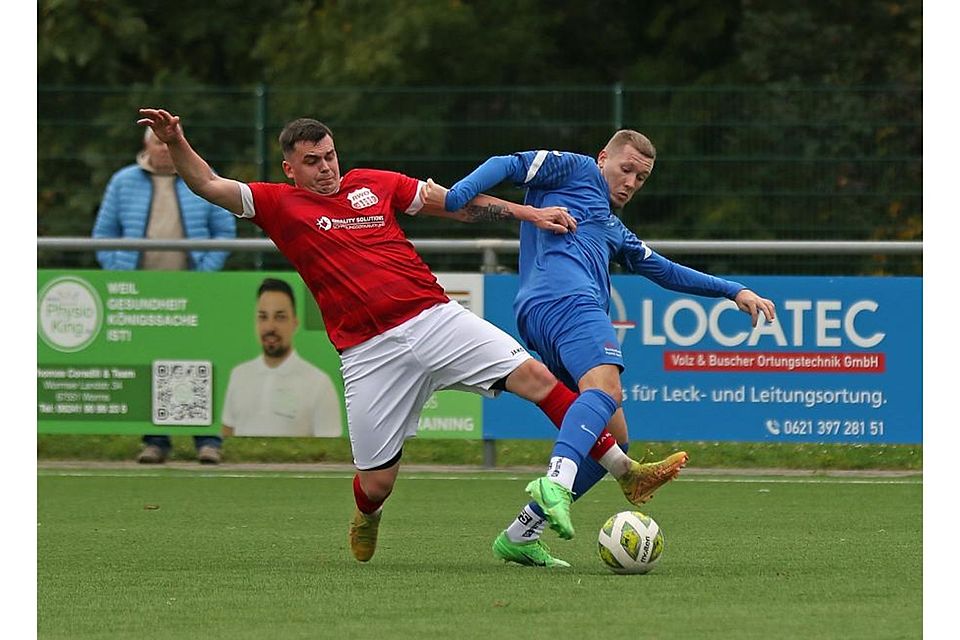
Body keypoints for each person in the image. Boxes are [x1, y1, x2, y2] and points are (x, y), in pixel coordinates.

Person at [137, 108, 678, 564]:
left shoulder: (374, 184)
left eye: (329, 156)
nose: (326, 168)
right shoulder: (278, 203)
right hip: (368, 353)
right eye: (312, 162)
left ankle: (625, 471)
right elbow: (208, 184)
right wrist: (177, 141)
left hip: (434, 316)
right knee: (377, 484)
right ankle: (366, 516)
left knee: (534, 376)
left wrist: (527, 211)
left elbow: (459, 205)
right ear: (290, 168)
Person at [428, 129, 777, 567]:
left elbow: (666, 271)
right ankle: (556, 480)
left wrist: (732, 290)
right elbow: (508, 162)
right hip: (567, 299)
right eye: (626, 168)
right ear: (602, 158)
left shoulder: (615, 230)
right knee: (607, 390)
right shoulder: (574, 169)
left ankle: (521, 533)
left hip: (542, 312)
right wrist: (460, 193)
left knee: (616, 439)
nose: (631, 182)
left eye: (641, 178)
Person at [92, 126, 237, 465]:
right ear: (147, 145)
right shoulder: (122, 182)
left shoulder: (204, 177)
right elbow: (103, 233)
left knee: (201, 363)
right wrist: (120, 274)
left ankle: (207, 441)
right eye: (159, 143)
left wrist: (205, 274)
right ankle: (155, 441)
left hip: (196, 291)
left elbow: (224, 230)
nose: (164, 150)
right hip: (144, 295)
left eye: (169, 143)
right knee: (151, 365)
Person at [222, 277, 343, 438]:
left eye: (280, 317)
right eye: (263, 317)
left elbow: (329, 449)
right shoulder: (239, 375)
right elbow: (227, 434)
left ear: (294, 323)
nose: (270, 327)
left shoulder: (319, 383)